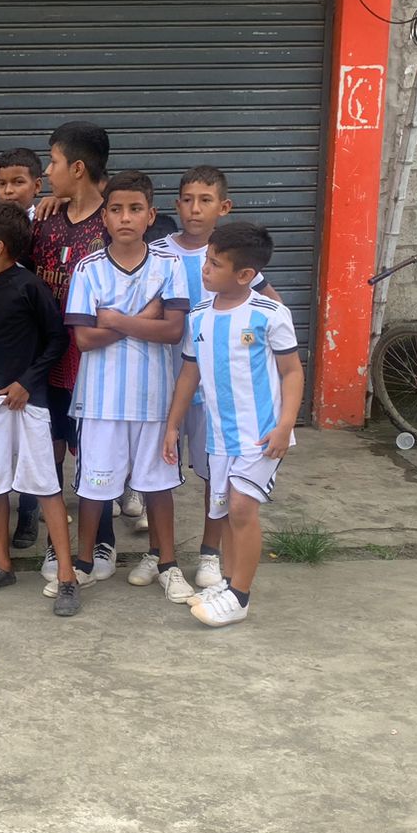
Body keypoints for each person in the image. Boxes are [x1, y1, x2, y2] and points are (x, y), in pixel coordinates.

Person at [150, 165, 287, 591]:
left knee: (217, 476)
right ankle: (159, 555)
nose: (195, 209)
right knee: (159, 473)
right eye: (188, 200)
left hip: (217, 394)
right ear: (176, 205)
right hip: (169, 382)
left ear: (223, 207)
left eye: (205, 200)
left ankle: (211, 554)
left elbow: (273, 308)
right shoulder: (159, 252)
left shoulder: (233, 255)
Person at [63, 170, 195, 604]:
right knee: (93, 487)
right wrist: (144, 318)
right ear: (103, 217)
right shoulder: (88, 269)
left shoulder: (169, 266)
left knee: (158, 485)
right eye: (116, 209)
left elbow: (173, 331)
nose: (125, 217)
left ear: (150, 215)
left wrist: (116, 319)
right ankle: (84, 565)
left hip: (153, 400)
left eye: (135, 209)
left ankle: (167, 564)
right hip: (99, 401)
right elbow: (84, 339)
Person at [163, 221, 303, 628]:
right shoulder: (199, 317)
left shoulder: (270, 314)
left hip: (262, 435)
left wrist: (285, 426)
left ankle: (240, 596)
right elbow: (189, 375)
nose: (205, 269)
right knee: (224, 510)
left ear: (244, 275)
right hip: (220, 436)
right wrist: (172, 425)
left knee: (242, 507)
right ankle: (227, 582)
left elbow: (292, 372)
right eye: (206, 259)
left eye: (214, 264)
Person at [0, 202, 82, 616]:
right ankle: (2, 566)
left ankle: (67, 578)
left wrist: (27, 382)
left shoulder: (30, 287)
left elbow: (57, 340)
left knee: (46, 487)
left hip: (30, 406)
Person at [31, 120, 114, 574]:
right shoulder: (45, 220)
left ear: (78, 168)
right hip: (48, 359)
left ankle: (102, 541)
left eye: (54, 162)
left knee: (95, 455)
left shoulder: (113, 224)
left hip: (96, 362)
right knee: (52, 451)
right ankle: (56, 541)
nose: (47, 172)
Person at [0, 148, 45, 218]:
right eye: (2, 184)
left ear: (37, 186)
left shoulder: (48, 222)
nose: (8, 190)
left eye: (18, 182)